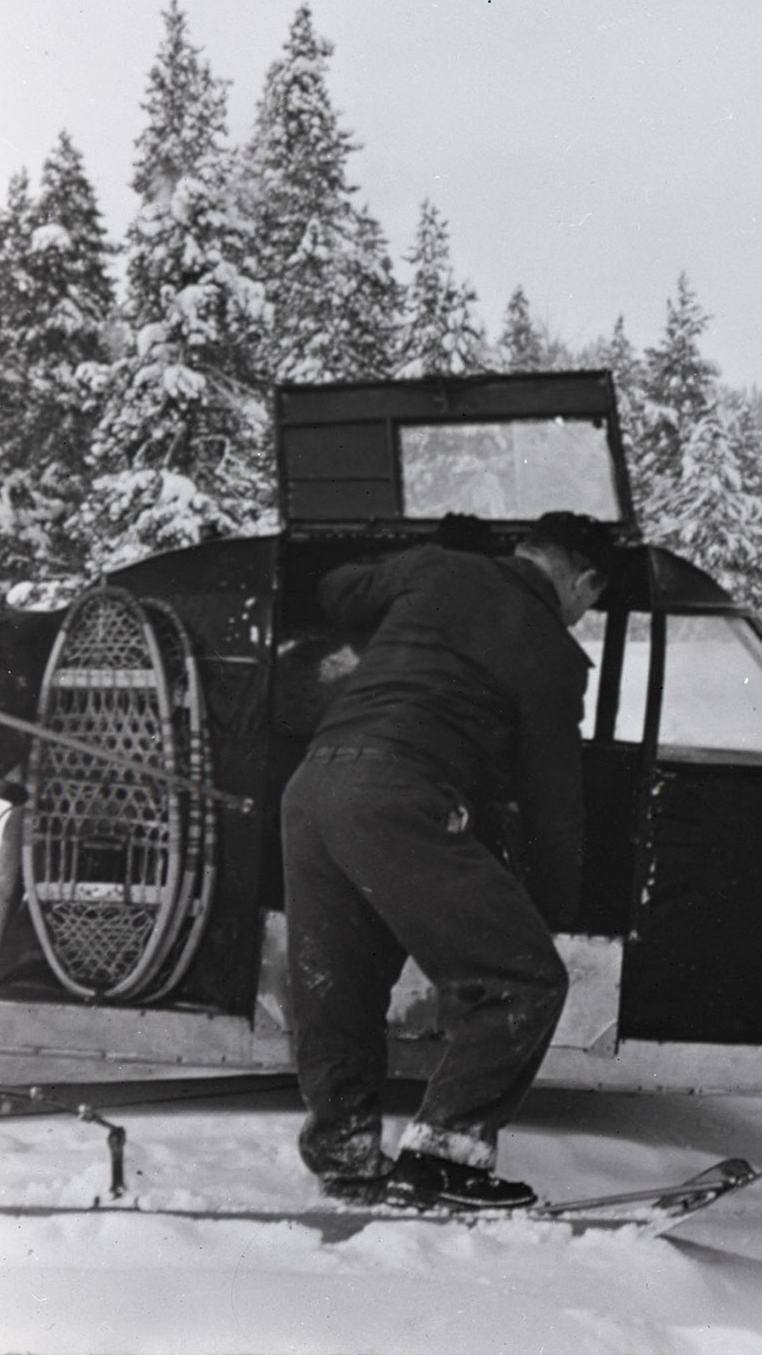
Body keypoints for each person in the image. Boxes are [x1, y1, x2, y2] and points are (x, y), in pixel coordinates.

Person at [281, 510, 614, 1211]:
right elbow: (554, 800)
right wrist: (548, 913)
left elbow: (338, 591)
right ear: (582, 583)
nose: (584, 616)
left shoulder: (436, 569)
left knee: (336, 986)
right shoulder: (552, 654)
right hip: (401, 794)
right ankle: (445, 1162)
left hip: (311, 789)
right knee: (522, 981)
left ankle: (346, 1155)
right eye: (593, 603)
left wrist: (427, 551)